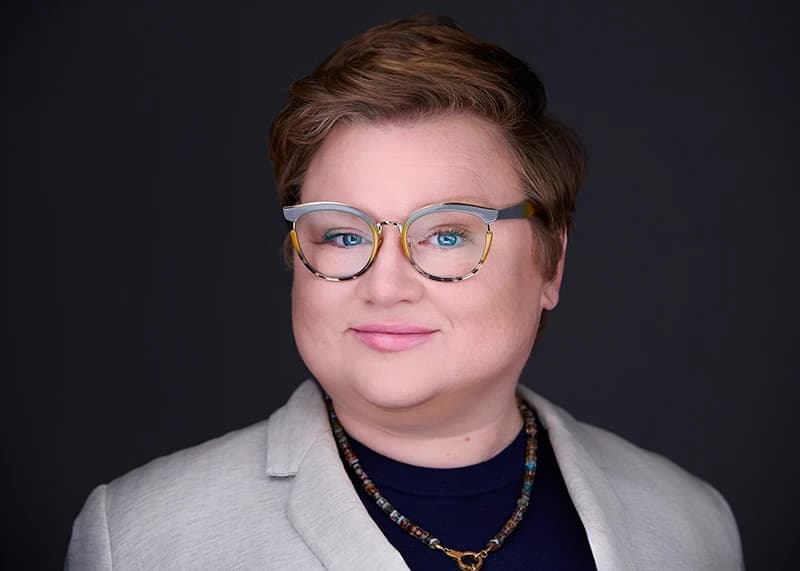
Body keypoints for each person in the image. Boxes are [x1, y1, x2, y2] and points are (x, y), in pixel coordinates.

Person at [66, 14, 745, 571]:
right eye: (341, 234)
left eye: (448, 235)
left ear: (550, 264)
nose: (384, 284)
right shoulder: (140, 538)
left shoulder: (691, 523)